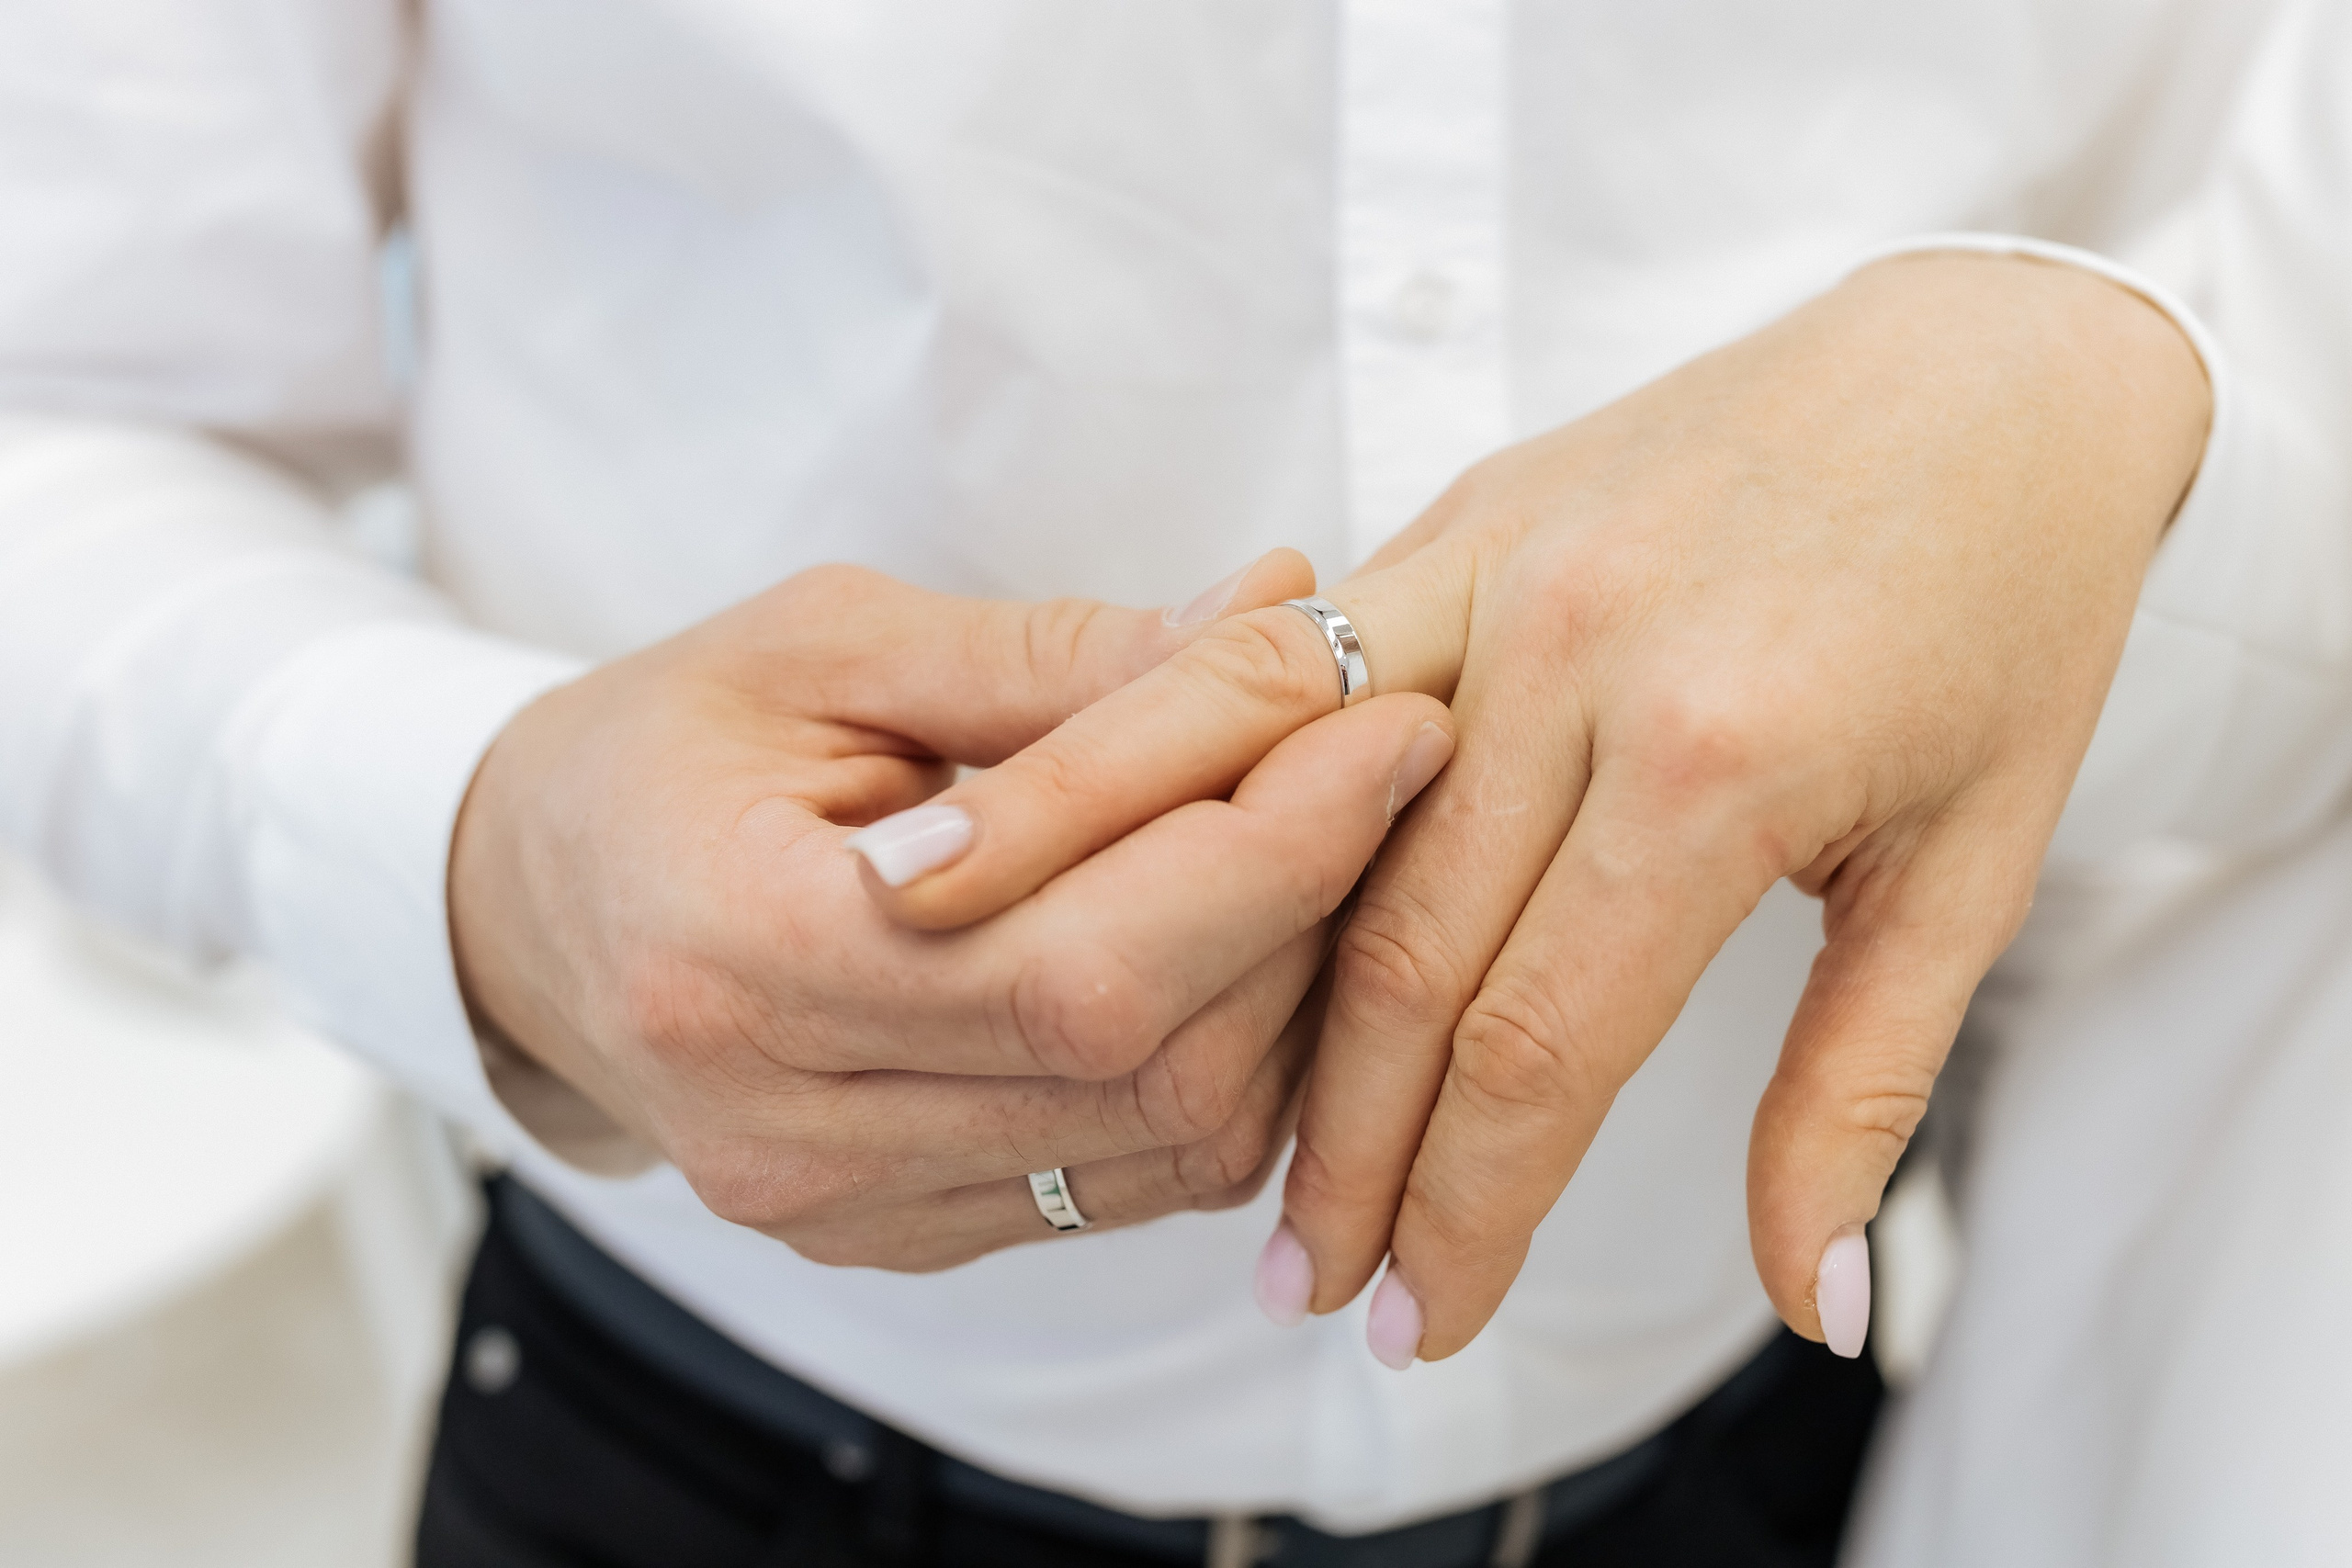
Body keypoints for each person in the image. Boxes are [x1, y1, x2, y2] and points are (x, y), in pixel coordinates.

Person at [0, 5, 2342, 1567]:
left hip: (1802, 1456)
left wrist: (2108, 413)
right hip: (696, 1457)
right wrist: (485, 852)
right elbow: (60, 396)